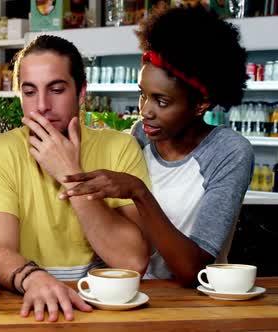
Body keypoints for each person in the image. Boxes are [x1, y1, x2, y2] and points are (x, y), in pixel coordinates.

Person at [60, 5, 253, 286]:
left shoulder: (228, 152)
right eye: (143, 95)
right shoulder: (139, 135)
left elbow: (193, 270)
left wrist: (138, 191)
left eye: (161, 101)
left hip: (193, 304)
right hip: (130, 291)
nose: (145, 111)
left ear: (201, 104)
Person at [0, 35, 151, 322]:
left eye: (56, 89)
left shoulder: (120, 148)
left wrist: (69, 175)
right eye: (29, 92)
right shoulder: (1, 151)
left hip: (104, 307)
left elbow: (132, 261)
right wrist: (35, 278)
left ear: (81, 93)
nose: (41, 105)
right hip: (27, 301)